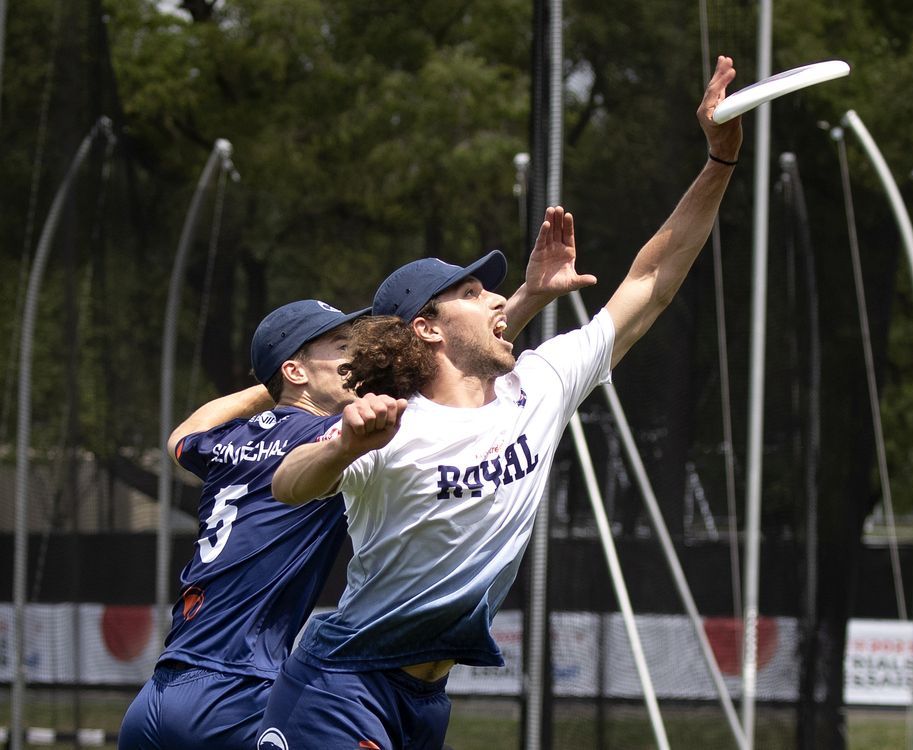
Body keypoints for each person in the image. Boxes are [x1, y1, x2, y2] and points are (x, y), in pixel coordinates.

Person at [259, 56, 743, 750]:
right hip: (342, 685)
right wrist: (341, 446)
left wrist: (717, 163)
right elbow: (288, 484)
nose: (496, 298)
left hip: (425, 700)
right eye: (473, 293)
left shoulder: (538, 388)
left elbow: (652, 281)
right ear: (426, 327)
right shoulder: (388, 425)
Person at [117, 245, 583, 749]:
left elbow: (179, 437)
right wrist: (522, 302)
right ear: (298, 372)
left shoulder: (234, 440)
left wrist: (271, 387)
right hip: (242, 690)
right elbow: (451, 362)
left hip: (161, 690)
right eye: (341, 347)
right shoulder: (338, 436)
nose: (359, 356)